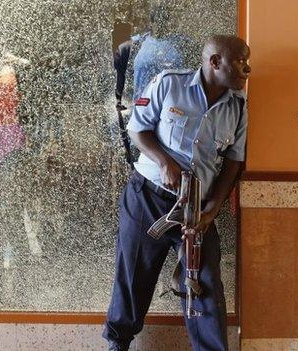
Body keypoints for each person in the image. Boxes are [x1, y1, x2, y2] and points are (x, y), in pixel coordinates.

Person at [102, 35, 251, 351]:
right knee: (133, 276)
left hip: (197, 208)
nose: (247, 68)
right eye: (240, 61)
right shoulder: (169, 84)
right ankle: (118, 343)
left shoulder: (237, 106)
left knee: (206, 283)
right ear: (214, 62)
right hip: (148, 196)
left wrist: (211, 209)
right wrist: (164, 161)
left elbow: (233, 163)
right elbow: (137, 129)